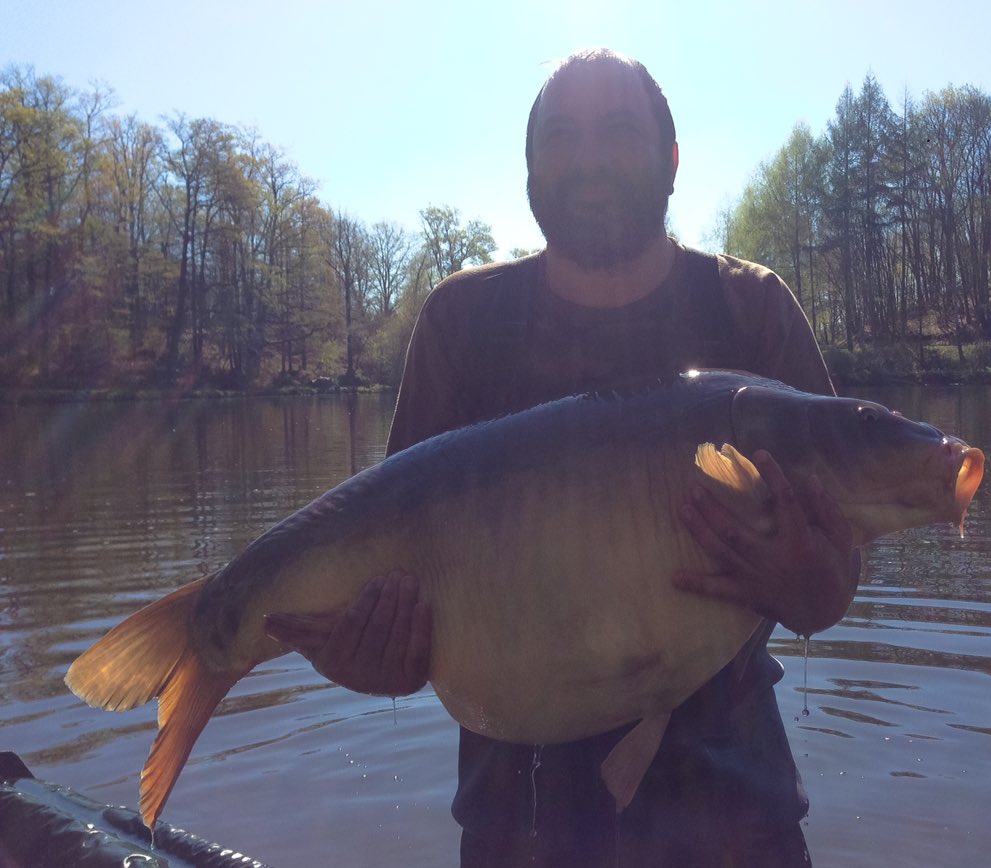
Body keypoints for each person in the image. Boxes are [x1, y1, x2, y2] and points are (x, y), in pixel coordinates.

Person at [266, 49, 858, 867]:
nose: (589, 160)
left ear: (672, 160)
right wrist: (370, 653)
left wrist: (805, 577)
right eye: (561, 137)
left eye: (619, 131)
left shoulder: (750, 309)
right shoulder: (461, 322)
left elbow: (829, 592)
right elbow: (394, 581)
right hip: (518, 824)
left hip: (734, 814)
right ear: (529, 168)